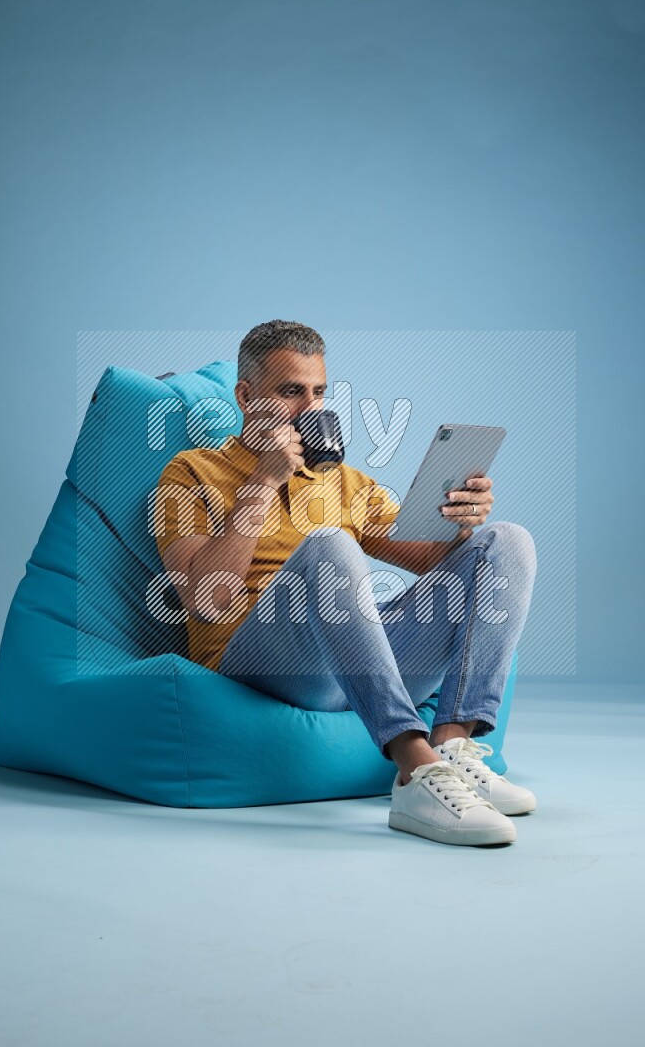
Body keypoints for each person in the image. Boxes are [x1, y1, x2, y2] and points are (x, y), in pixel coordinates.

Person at [154, 320, 538, 847]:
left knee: (506, 541)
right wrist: (264, 481)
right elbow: (206, 601)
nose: (310, 409)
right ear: (246, 396)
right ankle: (414, 772)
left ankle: (452, 746)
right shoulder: (191, 472)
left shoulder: (343, 482)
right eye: (291, 392)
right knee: (331, 544)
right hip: (257, 663)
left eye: (318, 392)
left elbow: (432, 560)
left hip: (350, 664)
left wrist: (462, 520)